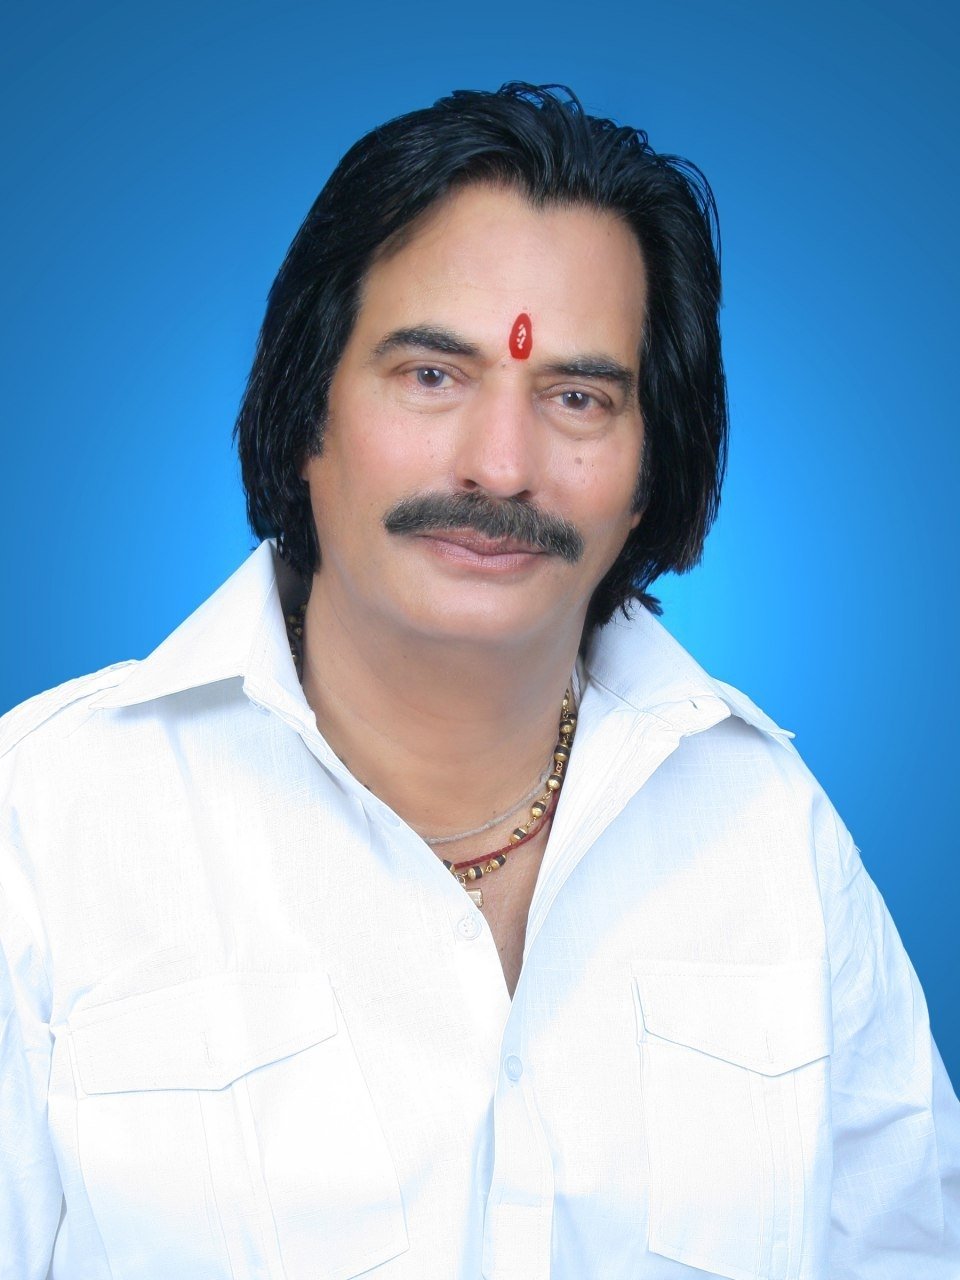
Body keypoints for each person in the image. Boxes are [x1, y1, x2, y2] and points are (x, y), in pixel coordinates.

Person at [1, 81, 957, 1280]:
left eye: (577, 398)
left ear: (651, 472)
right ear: (305, 414)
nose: (501, 467)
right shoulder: (43, 823)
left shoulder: (769, 829)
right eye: (431, 376)